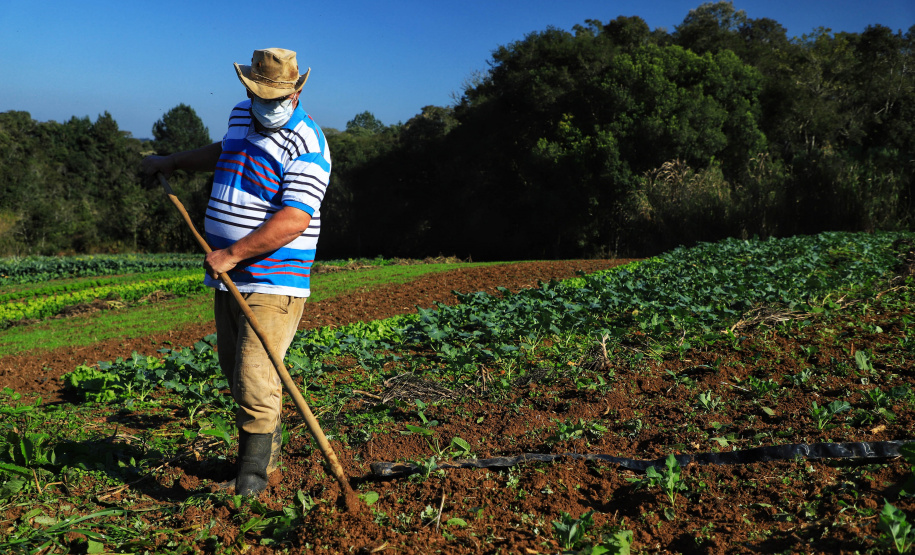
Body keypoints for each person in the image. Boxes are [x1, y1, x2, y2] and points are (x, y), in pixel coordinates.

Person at [142, 48, 331, 496]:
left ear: (297, 91)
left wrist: (233, 253)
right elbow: (223, 151)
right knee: (238, 372)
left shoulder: (308, 143)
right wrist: (173, 161)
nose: (266, 102)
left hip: (273, 276)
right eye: (258, 93)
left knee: (254, 374)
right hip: (232, 276)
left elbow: (295, 219)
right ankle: (269, 460)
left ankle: (253, 480)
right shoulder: (242, 116)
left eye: (275, 95)